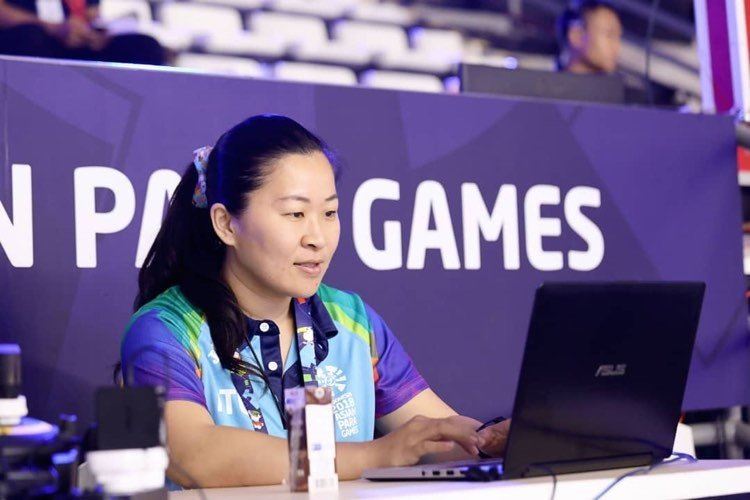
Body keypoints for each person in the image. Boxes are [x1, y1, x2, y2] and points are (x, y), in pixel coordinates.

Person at [120, 114, 510, 488]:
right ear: (226, 223)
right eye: (295, 213)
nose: (317, 238)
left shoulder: (352, 319)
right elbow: (193, 456)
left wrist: (492, 440)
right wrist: (377, 454)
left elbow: (435, 437)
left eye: (329, 212)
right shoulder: (163, 329)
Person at [0, 0, 164, 65]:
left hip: (74, 42)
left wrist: (95, 35)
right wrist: (54, 28)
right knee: (30, 37)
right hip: (25, 39)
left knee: (145, 46)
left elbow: (92, 15)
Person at [555, 0, 623, 75]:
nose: (616, 47)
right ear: (576, 36)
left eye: (618, 37)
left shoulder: (621, 81)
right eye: (609, 35)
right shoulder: (547, 81)